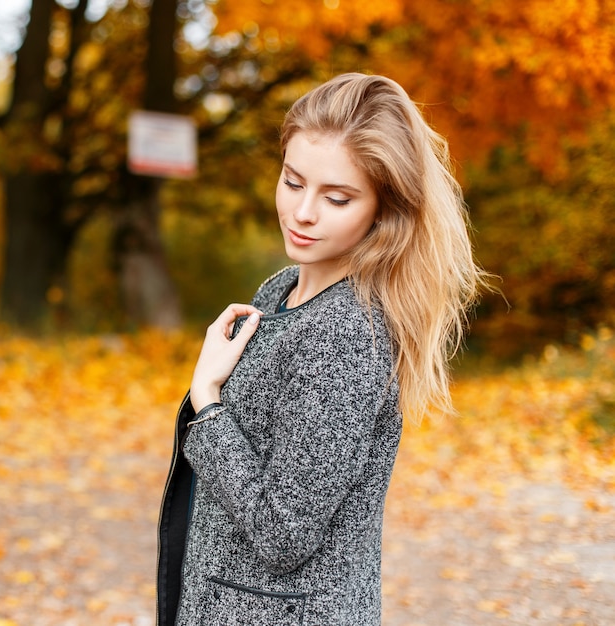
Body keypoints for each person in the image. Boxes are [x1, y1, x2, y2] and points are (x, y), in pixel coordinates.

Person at [156, 73, 486, 626]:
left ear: (383, 209)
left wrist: (207, 401)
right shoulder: (280, 290)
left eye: (337, 197)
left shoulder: (348, 335)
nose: (303, 212)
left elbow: (283, 532)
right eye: (292, 182)